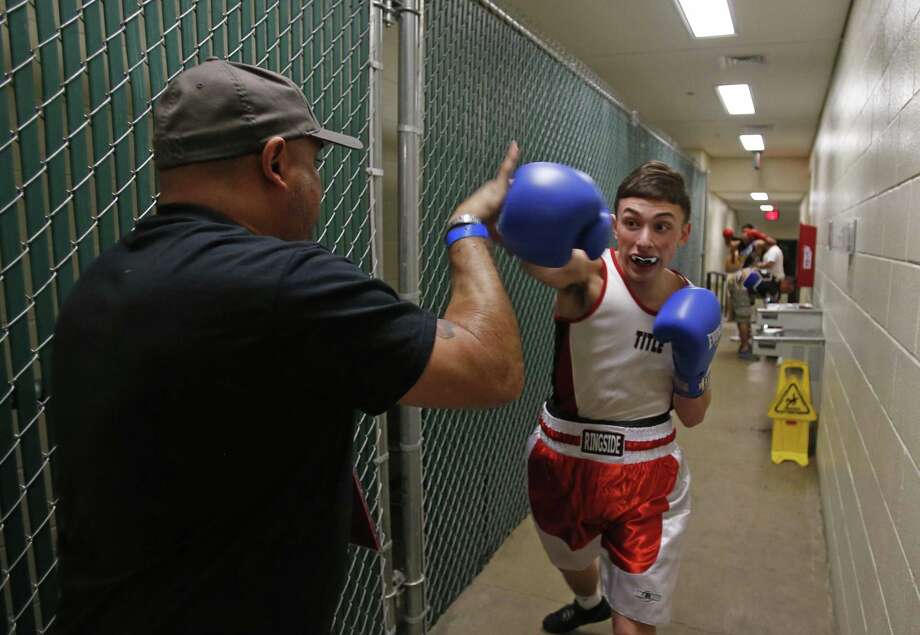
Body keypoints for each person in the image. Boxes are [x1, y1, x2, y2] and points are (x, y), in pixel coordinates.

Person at [49, 59, 524, 635]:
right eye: (313, 165)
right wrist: (467, 228)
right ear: (275, 162)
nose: (317, 187)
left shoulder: (102, 282)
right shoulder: (283, 283)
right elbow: (491, 368)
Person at [520, 161, 719, 635]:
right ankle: (589, 601)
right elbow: (539, 260)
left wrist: (694, 374)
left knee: (635, 620)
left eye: (661, 226)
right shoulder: (588, 276)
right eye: (632, 223)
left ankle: (613, 606)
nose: (645, 240)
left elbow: (692, 416)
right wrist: (510, 217)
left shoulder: (695, 306)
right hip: (562, 457)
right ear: (615, 225)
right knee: (570, 560)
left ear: (683, 234)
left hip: (649, 473)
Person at [723, 229, 755, 359]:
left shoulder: (739, 248)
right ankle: (745, 347)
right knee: (743, 317)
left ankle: (744, 344)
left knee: (742, 316)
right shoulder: (740, 249)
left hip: (737, 280)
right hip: (739, 282)